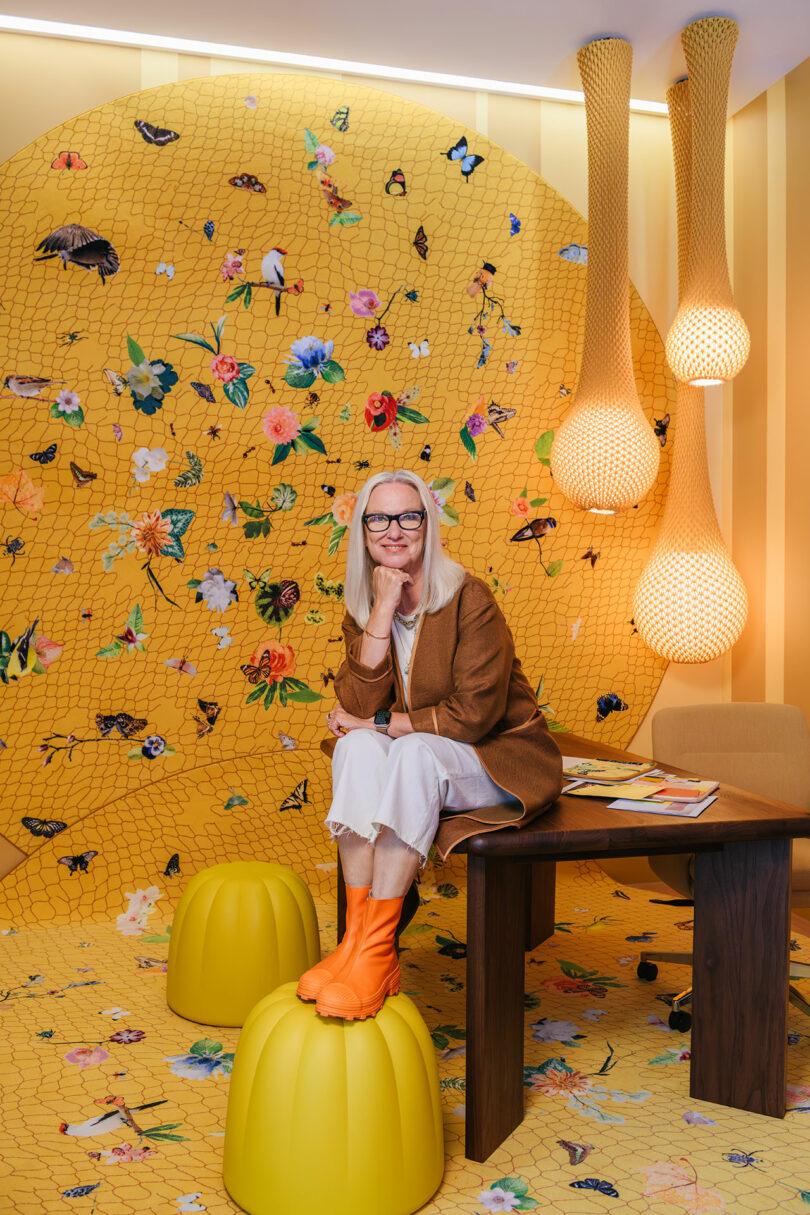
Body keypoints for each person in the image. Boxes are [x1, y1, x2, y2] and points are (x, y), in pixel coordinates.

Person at [296, 469, 562, 1020]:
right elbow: (355, 702)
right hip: (434, 750)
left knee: (402, 749)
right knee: (354, 752)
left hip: (498, 757)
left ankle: (374, 948)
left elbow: (472, 717)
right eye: (379, 519)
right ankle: (358, 945)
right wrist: (382, 610)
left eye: (408, 517)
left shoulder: (469, 598)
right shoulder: (368, 602)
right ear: (364, 532)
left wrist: (374, 724)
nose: (394, 531)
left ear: (428, 525)